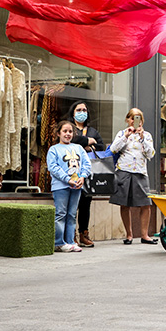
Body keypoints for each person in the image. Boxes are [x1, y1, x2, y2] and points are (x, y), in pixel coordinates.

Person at [110, 108, 157, 244]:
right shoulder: (122, 133)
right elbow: (113, 149)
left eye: (138, 118)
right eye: (132, 118)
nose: (135, 121)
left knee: (146, 204)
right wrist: (126, 136)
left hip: (140, 172)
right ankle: (129, 235)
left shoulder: (146, 135)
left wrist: (142, 139)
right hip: (124, 170)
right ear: (127, 120)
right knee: (125, 204)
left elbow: (150, 154)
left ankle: (144, 235)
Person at [47, 121, 90, 252]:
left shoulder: (79, 148)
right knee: (61, 214)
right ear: (58, 133)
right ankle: (59, 242)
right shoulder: (53, 149)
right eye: (64, 131)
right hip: (60, 187)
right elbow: (53, 167)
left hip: (76, 186)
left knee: (72, 214)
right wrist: (67, 179)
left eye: (70, 131)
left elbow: (87, 164)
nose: (68, 134)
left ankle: (70, 241)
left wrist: (82, 177)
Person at [68, 100, 104, 248]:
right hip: (71, 170)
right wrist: (87, 141)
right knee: (72, 204)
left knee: (85, 203)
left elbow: (101, 146)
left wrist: (89, 146)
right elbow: (72, 140)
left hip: (88, 172)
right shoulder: (69, 128)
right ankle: (71, 235)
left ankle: (84, 233)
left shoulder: (93, 131)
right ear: (73, 113)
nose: (82, 113)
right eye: (79, 110)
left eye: (84, 110)